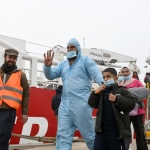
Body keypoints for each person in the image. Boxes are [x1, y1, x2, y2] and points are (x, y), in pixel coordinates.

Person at [43, 38, 103, 150]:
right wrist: (47, 67)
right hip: (65, 104)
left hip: (82, 103)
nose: (69, 49)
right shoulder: (63, 64)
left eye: (72, 47)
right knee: (63, 135)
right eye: (68, 47)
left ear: (78, 49)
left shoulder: (86, 61)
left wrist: (104, 84)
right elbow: (51, 75)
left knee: (89, 135)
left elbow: (96, 73)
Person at [88, 68, 137, 150]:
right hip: (101, 131)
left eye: (108, 76)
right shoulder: (101, 92)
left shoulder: (122, 90)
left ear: (115, 78)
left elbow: (131, 105)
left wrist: (117, 99)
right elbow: (91, 104)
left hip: (117, 131)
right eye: (104, 77)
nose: (105, 79)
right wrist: (96, 93)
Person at [0, 49, 30, 150]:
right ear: (5, 57)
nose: (11, 60)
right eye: (10, 57)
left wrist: (24, 113)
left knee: (3, 139)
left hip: (8, 112)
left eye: (14, 58)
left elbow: (26, 94)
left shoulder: (21, 75)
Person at [118, 66, 148, 150]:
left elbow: (144, 93)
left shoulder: (137, 82)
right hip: (125, 112)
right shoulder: (119, 83)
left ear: (130, 72)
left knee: (139, 131)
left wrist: (131, 95)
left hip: (137, 111)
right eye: (123, 71)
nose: (125, 73)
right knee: (125, 132)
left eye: (126, 71)